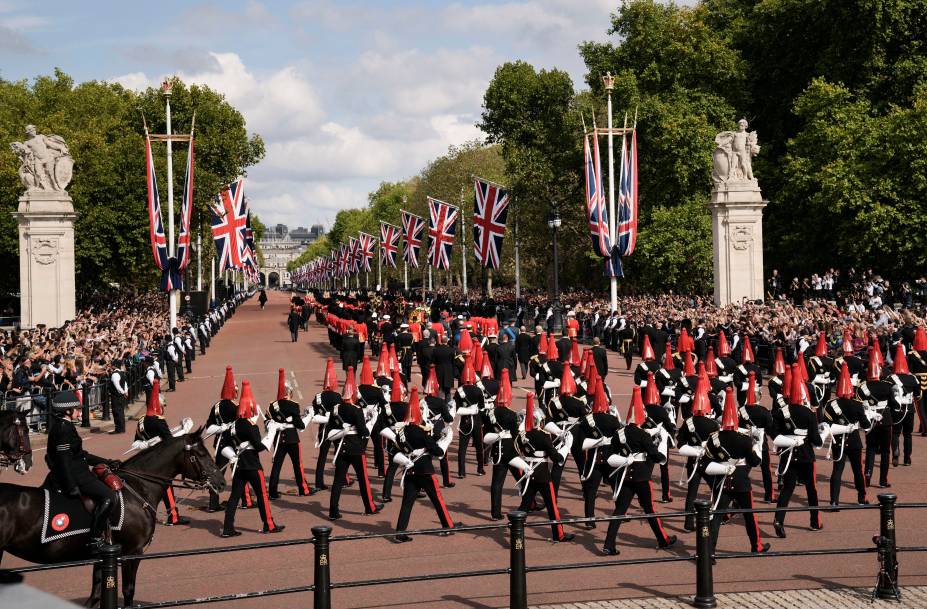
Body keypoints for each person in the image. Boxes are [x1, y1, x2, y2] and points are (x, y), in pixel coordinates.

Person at [601, 387, 676, 555]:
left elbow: (609, 454)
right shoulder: (643, 435)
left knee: (619, 510)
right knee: (650, 509)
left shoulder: (619, 433)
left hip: (626, 475)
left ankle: (608, 544)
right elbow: (654, 455)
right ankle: (663, 540)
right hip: (642, 476)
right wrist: (661, 445)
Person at [45, 389, 121, 552]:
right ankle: (95, 538)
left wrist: (105, 461)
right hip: (77, 476)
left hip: (78, 471)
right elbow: (64, 461)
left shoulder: (65, 425)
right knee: (110, 496)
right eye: (77, 409)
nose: (80, 411)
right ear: (67, 410)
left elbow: (81, 455)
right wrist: (71, 485)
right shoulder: (63, 429)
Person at [705, 387, 769, 554]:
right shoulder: (745, 440)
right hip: (741, 480)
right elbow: (755, 462)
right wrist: (757, 445)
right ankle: (757, 546)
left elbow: (707, 460)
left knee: (716, 518)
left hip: (722, 479)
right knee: (749, 516)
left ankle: (709, 551)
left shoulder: (714, 438)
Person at [389, 386, 456, 543]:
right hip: (425, 470)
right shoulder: (422, 433)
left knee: (407, 504)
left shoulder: (402, 433)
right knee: (437, 499)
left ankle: (400, 532)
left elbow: (393, 450)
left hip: (410, 470)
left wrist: (406, 460)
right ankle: (447, 525)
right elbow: (438, 452)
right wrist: (445, 440)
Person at [221, 380, 284, 537]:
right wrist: (271, 432)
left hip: (239, 467)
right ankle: (268, 524)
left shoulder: (233, 426)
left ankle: (228, 528)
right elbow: (260, 447)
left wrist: (233, 455)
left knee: (234, 497)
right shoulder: (251, 426)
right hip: (253, 466)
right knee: (262, 495)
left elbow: (224, 446)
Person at [514, 393, 574, 543]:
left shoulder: (522, 436)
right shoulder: (544, 436)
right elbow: (557, 458)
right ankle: (558, 535)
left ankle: (516, 532)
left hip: (529, 474)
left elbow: (518, 449)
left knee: (524, 506)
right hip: (542, 475)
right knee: (552, 507)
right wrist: (566, 446)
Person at [772, 364, 823, 537]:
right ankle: (815, 521)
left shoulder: (781, 412)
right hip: (806, 456)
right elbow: (816, 440)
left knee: (787, 490)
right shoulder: (809, 414)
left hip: (787, 455)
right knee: (811, 489)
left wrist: (788, 440)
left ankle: (779, 519)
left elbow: (774, 432)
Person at [328, 367, 383, 520]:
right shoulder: (356, 410)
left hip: (341, 447)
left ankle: (333, 510)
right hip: (356, 448)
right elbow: (364, 432)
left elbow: (331, 429)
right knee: (363, 480)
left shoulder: (336, 409)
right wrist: (370, 422)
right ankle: (369, 507)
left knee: (338, 481)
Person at [133, 380, 191, 526]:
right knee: (166, 485)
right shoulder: (159, 421)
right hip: (158, 459)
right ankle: (173, 516)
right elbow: (170, 442)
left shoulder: (141, 420)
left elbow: (135, 443)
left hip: (145, 458)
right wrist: (184, 431)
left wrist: (145, 443)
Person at [823, 363, 872, 506]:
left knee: (837, 471)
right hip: (854, 440)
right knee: (858, 470)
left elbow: (827, 424)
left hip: (838, 440)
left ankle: (834, 500)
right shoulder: (857, 404)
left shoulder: (831, 404)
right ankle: (862, 497)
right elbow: (866, 425)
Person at [205, 367, 251, 513]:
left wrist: (220, 428)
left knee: (217, 474)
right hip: (233, 445)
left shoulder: (216, 406)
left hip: (219, 445)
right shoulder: (236, 407)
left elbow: (209, 427)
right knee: (241, 473)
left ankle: (213, 503)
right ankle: (246, 500)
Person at [267, 369, 315, 499]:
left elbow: (267, 423)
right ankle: (303, 489)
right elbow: (300, 425)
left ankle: (272, 492)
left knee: (277, 466)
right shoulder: (293, 405)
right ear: (289, 392)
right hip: (292, 438)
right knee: (297, 465)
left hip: (278, 439)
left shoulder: (272, 406)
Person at [109, 359, 128, 434]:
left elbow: (117, 386)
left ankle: (118, 429)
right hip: (121, 395)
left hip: (116, 396)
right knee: (121, 412)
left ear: (114, 365)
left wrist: (123, 392)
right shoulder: (121, 373)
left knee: (116, 412)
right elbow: (125, 384)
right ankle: (122, 428)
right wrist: (126, 391)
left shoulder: (115, 374)